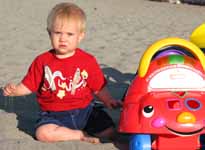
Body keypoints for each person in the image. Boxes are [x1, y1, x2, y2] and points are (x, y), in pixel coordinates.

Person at [3, 2, 121, 143]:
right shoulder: (42, 61)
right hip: (53, 115)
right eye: (58, 33)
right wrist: (16, 90)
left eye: (70, 34)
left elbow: (98, 87)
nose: (63, 38)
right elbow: (29, 85)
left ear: (80, 36)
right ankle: (80, 135)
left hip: (85, 111)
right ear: (49, 33)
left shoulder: (87, 60)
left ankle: (86, 132)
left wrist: (108, 100)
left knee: (110, 132)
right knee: (43, 133)